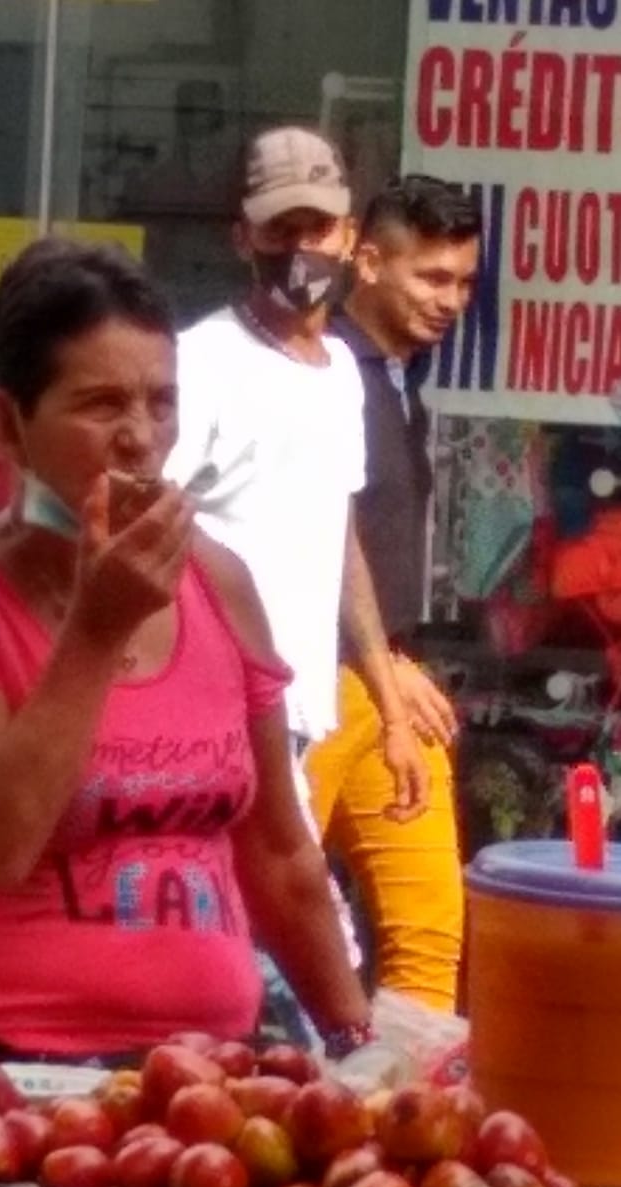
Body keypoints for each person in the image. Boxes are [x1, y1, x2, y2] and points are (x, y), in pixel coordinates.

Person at [0, 236, 371, 1065]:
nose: (141, 438)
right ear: (8, 426)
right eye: (101, 405)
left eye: (161, 403)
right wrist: (97, 630)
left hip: (209, 1078)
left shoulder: (218, 580)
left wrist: (357, 1045)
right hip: (1, 1074)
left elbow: (281, 857)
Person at [166, 124, 429, 842]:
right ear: (242, 239)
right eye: (278, 230)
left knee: (269, 935)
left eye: (315, 226)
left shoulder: (340, 371)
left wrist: (392, 716)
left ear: (348, 236)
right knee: (295, 932)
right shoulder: (203, 362)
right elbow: (145, 530)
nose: (298, 248)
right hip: (214, 716)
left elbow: (338, 542)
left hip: (303, 713)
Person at [306, 176, 482, 1012]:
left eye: (464, 282)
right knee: (269, 927)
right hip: (313, 687)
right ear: (367, 262)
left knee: (429, 936)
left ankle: (405, 1127)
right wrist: (381, 666)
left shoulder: (395, 379)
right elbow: (317, 533)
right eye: (432, 278)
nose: (451, 300)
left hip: (380, 687)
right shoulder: (325, 370)